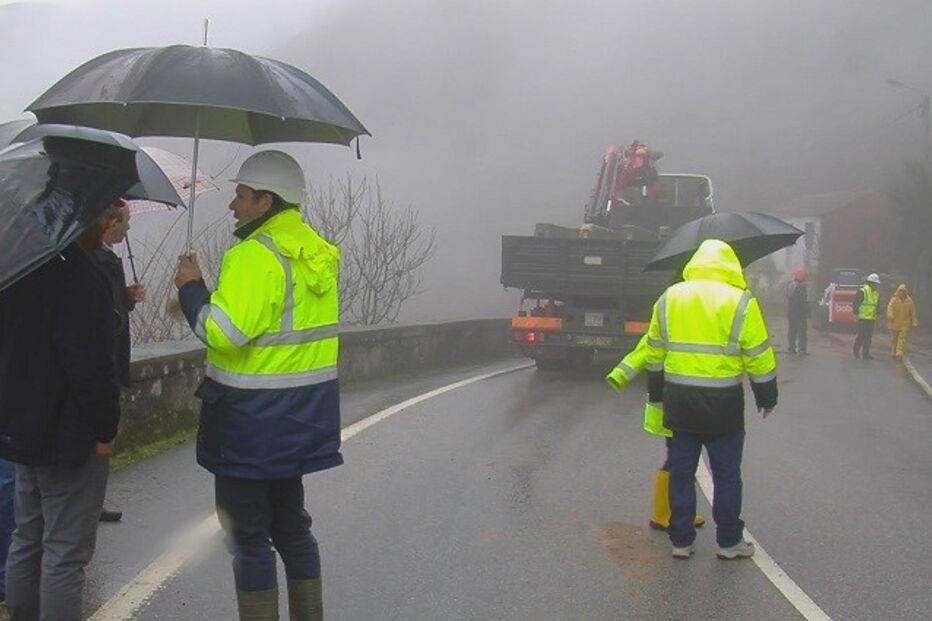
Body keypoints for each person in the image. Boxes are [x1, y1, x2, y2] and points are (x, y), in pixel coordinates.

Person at [174, 150, 341, 621]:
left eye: (241, 197)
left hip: (249, 423)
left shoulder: (253, 255)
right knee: (292, 529)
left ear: (266, 202)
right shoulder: (316, 254)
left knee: (248, 538)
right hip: (302, 417)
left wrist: (192, 290)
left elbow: (222, 334)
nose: (234, 206)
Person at [0, 207, 121, 621]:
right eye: (103, 217)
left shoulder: (18, 270)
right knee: (65, 553)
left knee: (26, 538)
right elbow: (91, 369)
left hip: (22, 429)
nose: (107, 224)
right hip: (70, 436)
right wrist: (106, 428)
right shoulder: (80, 279)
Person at [643, 239, 778, 560]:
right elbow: (758, 356)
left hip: (680, 404)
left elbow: (654, 353)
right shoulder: (742, 302)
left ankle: (681, 540)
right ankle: (729, 542)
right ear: (730, 265)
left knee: (681, 473)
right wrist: (766, 396)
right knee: (727, 476)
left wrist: (656, 392)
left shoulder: (670, 297)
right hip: (724, 407)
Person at [606, 336, 706, 531]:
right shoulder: (676, 317)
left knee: (679, 458)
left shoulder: (670, 316)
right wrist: (619, 375)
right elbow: (647, 348)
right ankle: (668, 514)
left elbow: (645, 348)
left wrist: (620, 374)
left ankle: (670, 512)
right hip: (677, 405)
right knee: (680, 460)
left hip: (673, 404)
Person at [93, 199, 145, 523]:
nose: (128, 228)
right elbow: (103, 313)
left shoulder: (105, 260)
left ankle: (94, 500)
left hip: (110, 357)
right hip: (105, 361)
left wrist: (127, 297)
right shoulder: (99, 261)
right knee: (100, 437)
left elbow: (111, 306)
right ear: (111, 223)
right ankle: (91, 501)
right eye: (125, 222)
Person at [853, 273, 882, 360]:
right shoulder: (863, 291)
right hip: (862, 318)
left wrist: (879, 313)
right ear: (871, 283)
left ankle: (866, 354)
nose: (877, 285)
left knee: (868, 338)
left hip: (871, 319)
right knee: (861, 336)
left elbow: (877, 305)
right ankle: (856, 351)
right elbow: (856, 303)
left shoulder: (876, 293)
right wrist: (855, 314)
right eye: (875, 284)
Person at [887, 284, 918, 359]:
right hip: (894, 322)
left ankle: (899, 352)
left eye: (903, 291)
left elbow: (913, 312)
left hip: (905, 324)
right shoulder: (894, 299)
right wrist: (890, 315)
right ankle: (894, 351)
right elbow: (890, 307)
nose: (901, 293)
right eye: (900, 291)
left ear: (905, 292)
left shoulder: (910, 301)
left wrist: (914, 321)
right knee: (894, 339)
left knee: (902, 338)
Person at [787, 267, 810, 355]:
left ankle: (791, 349)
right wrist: (808, 312)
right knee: (802, 331)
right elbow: (804, 302)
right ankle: (802, 349)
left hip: (791, 313)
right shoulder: (802, 287)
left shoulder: (790, 286)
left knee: (792, 331)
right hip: (800, 314)